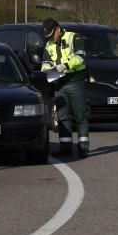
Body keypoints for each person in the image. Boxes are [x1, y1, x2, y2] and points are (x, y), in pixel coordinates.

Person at [41, 18, 90, 158]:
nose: (50, 38)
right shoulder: (49, 44)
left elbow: (80, 58)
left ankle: (83, 148)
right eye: (48, 36)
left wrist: (66, 66)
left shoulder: (74, 37)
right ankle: (66, 148)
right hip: (59, 83)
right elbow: (45, 62)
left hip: (75, 80)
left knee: (80, 115)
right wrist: (47, 69)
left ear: (58, 29)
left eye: (52, 35)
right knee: (62, 117)